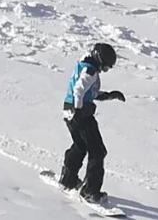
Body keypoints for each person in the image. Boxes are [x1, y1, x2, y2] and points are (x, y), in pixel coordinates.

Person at [58, 43, 125, 204]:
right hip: (80, 115)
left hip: (69, 112)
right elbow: (79, 91)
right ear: (100, 60)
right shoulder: (90, 70)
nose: (104, 70)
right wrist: (79, 110)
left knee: (80, 146)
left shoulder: (85, 65)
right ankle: (90, 192)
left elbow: (89, 92)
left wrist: (109, 95)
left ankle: (68, 179)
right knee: (97, 151)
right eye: (106, 67)